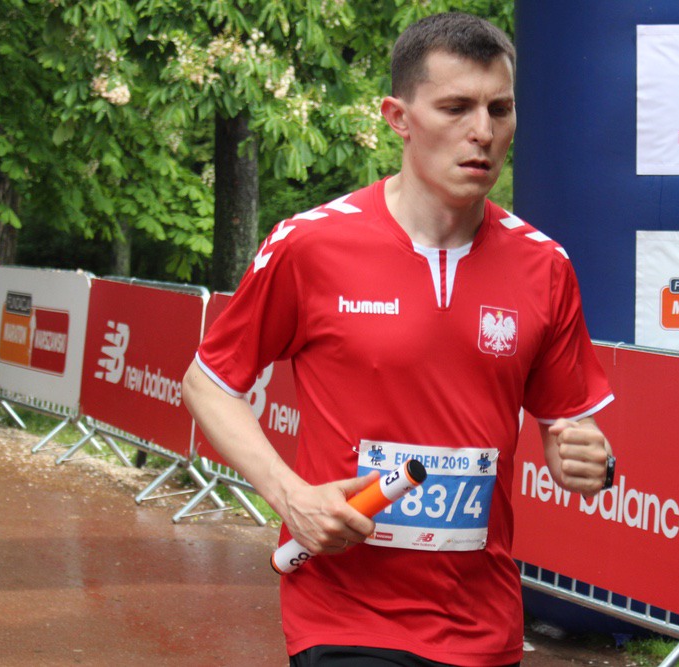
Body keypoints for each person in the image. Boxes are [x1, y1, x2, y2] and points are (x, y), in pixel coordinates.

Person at [182, 12, 614, 667]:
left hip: (482, 620)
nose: (483, 131)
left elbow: (567, 429)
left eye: (500, 109)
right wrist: (290, 494)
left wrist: (586, 457)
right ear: (398, 117)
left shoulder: (544, 265)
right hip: (344, 615)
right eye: (456, 108)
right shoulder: (311, 244)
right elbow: (208, 384)